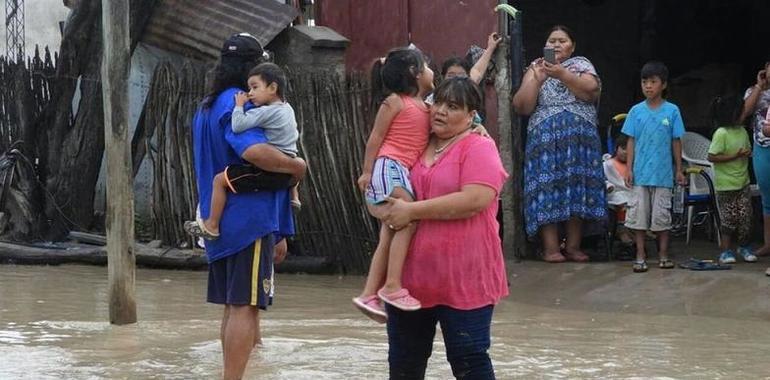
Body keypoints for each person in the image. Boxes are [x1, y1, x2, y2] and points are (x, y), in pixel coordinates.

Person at [190, 33, 306, 380]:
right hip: (247, 219)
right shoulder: (237, 104)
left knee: (235, 303)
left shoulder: (206, 107)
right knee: (245, 304)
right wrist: (296, 167)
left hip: (218, 217)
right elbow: (254, 153)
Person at [381, 77, 508, 379]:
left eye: (452, 107)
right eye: (437, 102)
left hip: (465, 276)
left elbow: (475, 199)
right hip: (411, 278)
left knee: (469, 361)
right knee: (404, 364)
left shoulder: (479, 146)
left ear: (471, 114)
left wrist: (411, 210)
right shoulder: (416, 143)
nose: (440, 111)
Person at [352, 47, 435, 320]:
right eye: (427, 66)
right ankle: (392, 286)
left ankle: (368, 294)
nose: (433, 71)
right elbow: (375, 139)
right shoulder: (394, 102)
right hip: (388, 167)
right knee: (409, 216)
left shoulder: (428, 107)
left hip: (400, 172)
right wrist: (366, 172)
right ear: (416, 73)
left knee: (390, 232)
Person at [512, 25, 604, 263]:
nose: (555, 44)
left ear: (572, 46)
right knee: (547, 190)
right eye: (551, 40)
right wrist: (537, 79)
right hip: (544, 142)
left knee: (576, 189)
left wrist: (561, 73)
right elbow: (521, 106)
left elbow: (590, 91)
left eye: (562, 41)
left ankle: (573, 247)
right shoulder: (535, 67)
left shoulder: (582, 65)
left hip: (579, 144)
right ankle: (551, 248)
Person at [186, 62, 301, 240]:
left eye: (255, 87)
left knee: (219, 180)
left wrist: (239, 105)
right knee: (297, 164)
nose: (250, 93)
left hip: (268, 170)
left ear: (272, 87)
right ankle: (294, 197)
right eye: (249, 88)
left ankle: (212, 225)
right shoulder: (288, 108)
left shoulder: (265, 112)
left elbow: (238, 125)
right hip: (288, 160)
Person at [622, 61, 687, 273]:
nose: (648, 86)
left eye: (653, 82)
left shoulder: (672, 110)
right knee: (639, 217)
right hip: (640, 174)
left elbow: (676, 141)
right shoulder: (635, 111)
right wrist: (629, 169)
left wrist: (679, 169)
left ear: (663, 85)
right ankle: (640, 255)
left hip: (663, 174)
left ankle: (663, 255)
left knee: (662, 217)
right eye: (644, 82)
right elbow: (631, 141)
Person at [707, 95, 757, 264]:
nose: (745, 113)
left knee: (746, 217)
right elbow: (712, 157)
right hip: (726, 185)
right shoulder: (721, 133)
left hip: (743, 182)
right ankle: (725, 251)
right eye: (742, 111)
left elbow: (748, 149)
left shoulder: (742, 131)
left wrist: (747, 154)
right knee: (729, 219)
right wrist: (735, 156)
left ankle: (744, 246)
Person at [739, 60, 770, 261]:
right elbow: (744, 113)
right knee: (767, 198)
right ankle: (768, 244)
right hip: (762, 148)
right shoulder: (753, 91)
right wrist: (759, 86)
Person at [603, 134, 635, 254]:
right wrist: (608, 186)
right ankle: (622, 231)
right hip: (614, 193)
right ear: (616, 148)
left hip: (631, 193)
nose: (626, 152)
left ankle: (634, 232)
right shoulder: (607, 164)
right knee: (622, 202)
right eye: (623, 148)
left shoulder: (633, 167)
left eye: (629, 150)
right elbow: (602, 179)